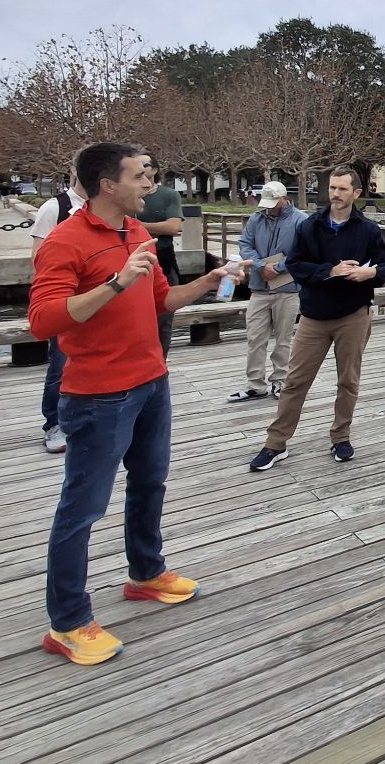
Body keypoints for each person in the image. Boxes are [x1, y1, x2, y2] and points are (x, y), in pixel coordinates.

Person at [29, 141, 246, 665]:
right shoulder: (64, 242)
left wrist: (209, 281)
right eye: (141, 177)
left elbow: (158, 302)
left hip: (151, 382)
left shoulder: (136, 232)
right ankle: (68, 622)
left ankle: (146, 574)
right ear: (108, 185)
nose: (151, 185)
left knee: (150, 482)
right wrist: (114, 282)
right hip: (97, 395)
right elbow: (44, 321)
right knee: (82, 509)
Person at [248, 167, 385, 470]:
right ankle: (275, 443)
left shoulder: (367, 229)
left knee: (348, 381)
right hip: (314, 316)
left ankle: (341, 437)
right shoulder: (310, 226)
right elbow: (296, 265)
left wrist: (372, 273)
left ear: (356, 193)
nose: (336, 194)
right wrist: (330, 271)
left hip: (353, 315)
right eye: (332, 188)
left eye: (342, 189)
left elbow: (384, 265)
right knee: (294, 381)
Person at [229, 181, 302, 402]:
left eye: (273, 203)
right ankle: (255, 384)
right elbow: (244, 244)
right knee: (254, 337)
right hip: (259, 288)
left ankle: (280, 381)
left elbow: (304, 251)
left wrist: (278, 268)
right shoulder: (256, 218)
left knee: (284, 338)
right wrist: (262, 266)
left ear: (283, 198)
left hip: (288, 288)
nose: (268, 207)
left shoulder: (301, 220)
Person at [30, 167, 85, 454]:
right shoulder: (55, 208)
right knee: (60, 364)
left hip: (99, 303)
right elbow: (39, 257)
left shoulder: (108, 210)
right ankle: (54, 422)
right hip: (67, 302)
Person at [138, 165, 185, 356]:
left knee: (164, 318)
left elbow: (174, 226)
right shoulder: (127, 196)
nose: (141, 168)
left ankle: (160, 363)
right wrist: (159, 227)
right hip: (133, 262)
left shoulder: (168, 195)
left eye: (145, 164)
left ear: (155, 169)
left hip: (164, 259)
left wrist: (138, 226)